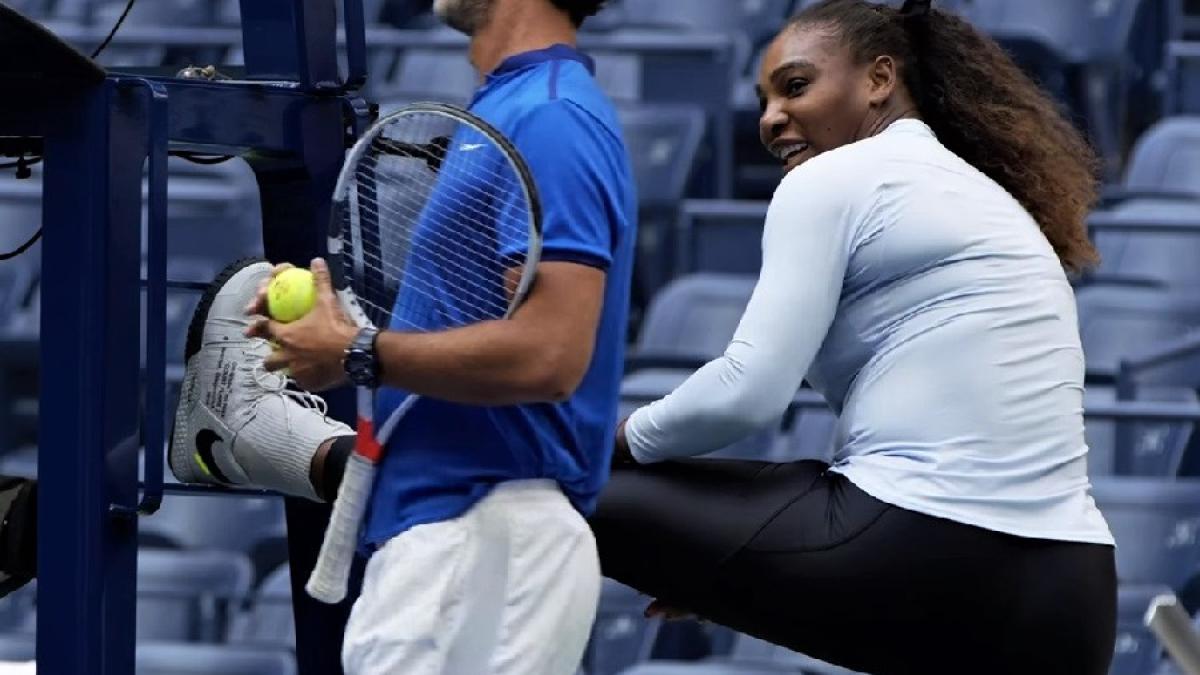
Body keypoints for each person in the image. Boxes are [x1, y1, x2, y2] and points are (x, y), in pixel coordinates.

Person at [589, 1, 1117, 674]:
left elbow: (745, 395)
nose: (770, 117)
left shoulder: (833, 178)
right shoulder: (984, 195)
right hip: (1069, 594)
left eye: (796, 85)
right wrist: (738, 567)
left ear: (878, 80)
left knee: (566, 485)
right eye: (763, 99)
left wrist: (611, 441)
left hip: (920, 551)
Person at [170, 0, 636, 672]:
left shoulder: (553, 117)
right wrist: (340, 352)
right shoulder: (514, 108)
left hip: (486, 538)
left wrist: (355, 352)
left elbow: (551, 354)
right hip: (454, 539)